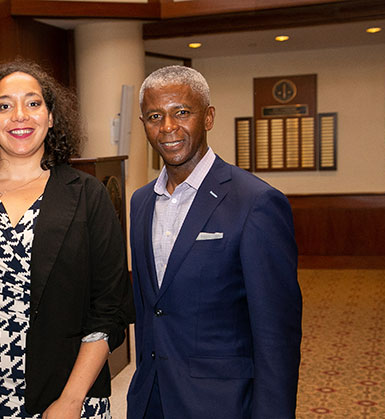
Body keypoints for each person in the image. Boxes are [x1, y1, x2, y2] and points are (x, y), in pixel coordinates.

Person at [0, 60, 135, 419]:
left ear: (51, 116)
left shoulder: (88, 195)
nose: (19, 116)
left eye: (34, 103)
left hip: (66, 401)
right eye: (4, 106)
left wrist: (71, 401)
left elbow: (109, 309)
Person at [126, 65, 302, 418]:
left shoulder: (255, 202)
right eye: (154, 116)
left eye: (182, 113)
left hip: (222, 403)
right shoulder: (141, 202)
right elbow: (151, 312)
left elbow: (276, 336)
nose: (168, 128)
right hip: (152, 399)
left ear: (208, 118)